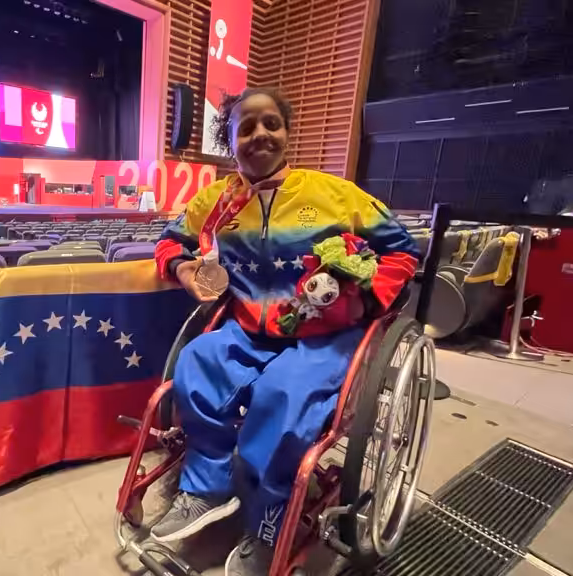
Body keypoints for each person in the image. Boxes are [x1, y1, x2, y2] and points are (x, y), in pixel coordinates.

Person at [153, 88, 419, 576]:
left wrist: (366, 295)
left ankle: (270, 517)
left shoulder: (335, 193)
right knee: (196, 362)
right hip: (248, 329)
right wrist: (185, 271)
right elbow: (170, 242)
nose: (260, 135)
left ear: (287, 132)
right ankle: (206, 488)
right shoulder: (216, 201)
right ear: (229, 139)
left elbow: (403, 250)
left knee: (281, 396)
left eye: (271, 124)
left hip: (324, 334)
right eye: (246, 127)